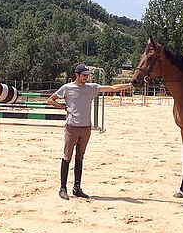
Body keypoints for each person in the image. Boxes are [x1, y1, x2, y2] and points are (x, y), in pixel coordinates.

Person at [47, 64, 132, 200]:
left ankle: (77, 187)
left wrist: (130, 84)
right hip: (72, 127)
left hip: (86, 127)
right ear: (77, 74)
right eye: (84, 75)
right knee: (67, 157)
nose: (87, 77)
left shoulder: (91, 88)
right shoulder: (67, 88)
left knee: (80, 158)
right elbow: (50, 100)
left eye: (88, 75)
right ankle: (63, 188)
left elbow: (112, 88)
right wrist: (63, 107)